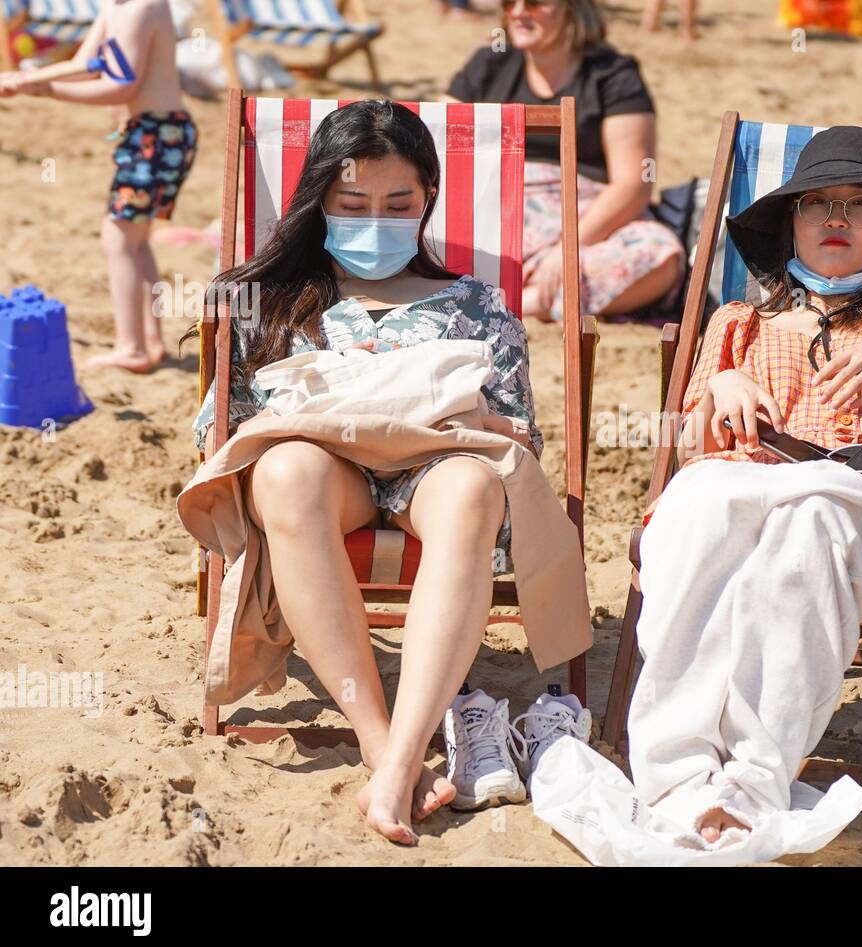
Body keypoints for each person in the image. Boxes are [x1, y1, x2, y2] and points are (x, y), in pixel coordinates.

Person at [184, 100, 587, 845]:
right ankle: (379, 740)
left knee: (472, 487)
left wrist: (433, 412)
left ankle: (400, 763)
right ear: (320, 204)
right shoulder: (273, 300)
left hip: (433, 469)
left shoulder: (474, 304)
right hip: (322, 475)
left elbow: (518, 431)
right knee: (286, 473)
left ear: (429, 195)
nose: (376, 220)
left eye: (398, 204)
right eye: (353, 204)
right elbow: (219, 428)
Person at [628, 127, 862, 845]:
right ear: (791, 222)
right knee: (692, 511)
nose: (836, 218)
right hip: (734, 484)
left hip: (851, 496)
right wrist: (717, 385)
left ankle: (755, 777)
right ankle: (676, 776)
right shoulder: (734, 324)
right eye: (816, 203)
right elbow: (694, 450)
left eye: (861, 205)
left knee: (805, 527)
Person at [445, 0, 686, 323]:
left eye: (534, 3)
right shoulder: (490, 64)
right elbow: (436, 143)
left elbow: (633, 183)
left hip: (586, 216)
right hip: (501, 209)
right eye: (508, 2)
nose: (517, 12)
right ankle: (536, 296)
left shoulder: (613, 74)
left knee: (659, 255)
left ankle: (507, 301)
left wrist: (566, 248)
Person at [0, 0, 198, 372]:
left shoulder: (145, 7)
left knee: (118, 237)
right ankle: (149, 343)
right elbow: (82, 64)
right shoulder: (114, 9)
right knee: (133, 239)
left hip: (158, 135)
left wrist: (44, 90)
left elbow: (121, 85)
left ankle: (132, 347)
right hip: (151, 134)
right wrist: (28, 79)